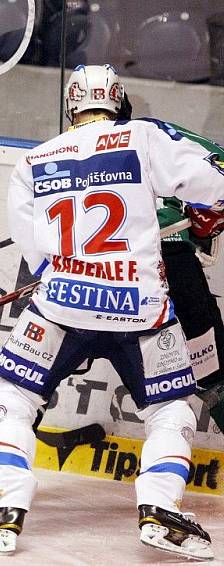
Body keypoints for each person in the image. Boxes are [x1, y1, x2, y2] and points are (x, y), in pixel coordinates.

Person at [0, 64, 224, 560]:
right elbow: (212, 184)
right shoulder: (141, 138)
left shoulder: (33, 161)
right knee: (171, 410)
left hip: (60, 307)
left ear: (71, 105)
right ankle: (161, 509)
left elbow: (35, 253)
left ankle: (5, 507)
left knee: (13, 396)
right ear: (117, 100)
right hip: (140, 311)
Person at [118, 94, 224, 431]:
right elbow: (218, 164)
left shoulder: (68, 148)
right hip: (172, 264)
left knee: (42, 367)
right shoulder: (152, 133)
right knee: (212, 371)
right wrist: (204, 215)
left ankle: (15, 429)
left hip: (105, 276)